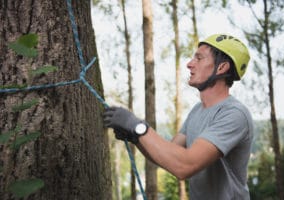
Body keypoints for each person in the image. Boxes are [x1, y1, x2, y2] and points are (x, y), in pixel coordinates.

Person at [104, 33, 253, 200]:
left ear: (221, 67)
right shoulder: (198, 110)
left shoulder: (234, 114)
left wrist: (138, 127)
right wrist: (136, 138)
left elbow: (184, 166)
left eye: (199, 58)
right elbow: (168, 155)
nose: (190, 64)